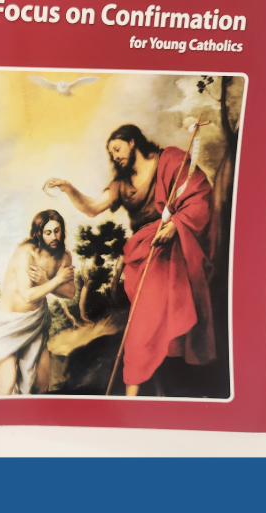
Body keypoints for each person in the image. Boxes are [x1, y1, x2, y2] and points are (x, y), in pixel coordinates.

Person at [45, 124, 215, 396]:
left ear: (133, 142)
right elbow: (91, 208)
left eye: (117, 148)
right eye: (110, 153)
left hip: (171, 247)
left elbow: (199, 194)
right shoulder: (121, 183)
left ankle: (143, 387)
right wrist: (68, 188)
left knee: (152, 317)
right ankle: (136, 389)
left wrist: (176, 224)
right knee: (146, 317)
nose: (114, 156)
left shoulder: (169, 159)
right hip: (141, 252)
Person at [0, 209, 75, 395]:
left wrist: (45, 282)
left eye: (57, 231)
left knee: (42, 383)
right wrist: (56, 280)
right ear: (39, 234)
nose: (54, 236)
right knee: (7, 383)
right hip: (8, 325)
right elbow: (27, 295)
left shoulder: (64, 256)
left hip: (35, 322)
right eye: (48, 232)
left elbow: (70, 292)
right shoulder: (26, 254)